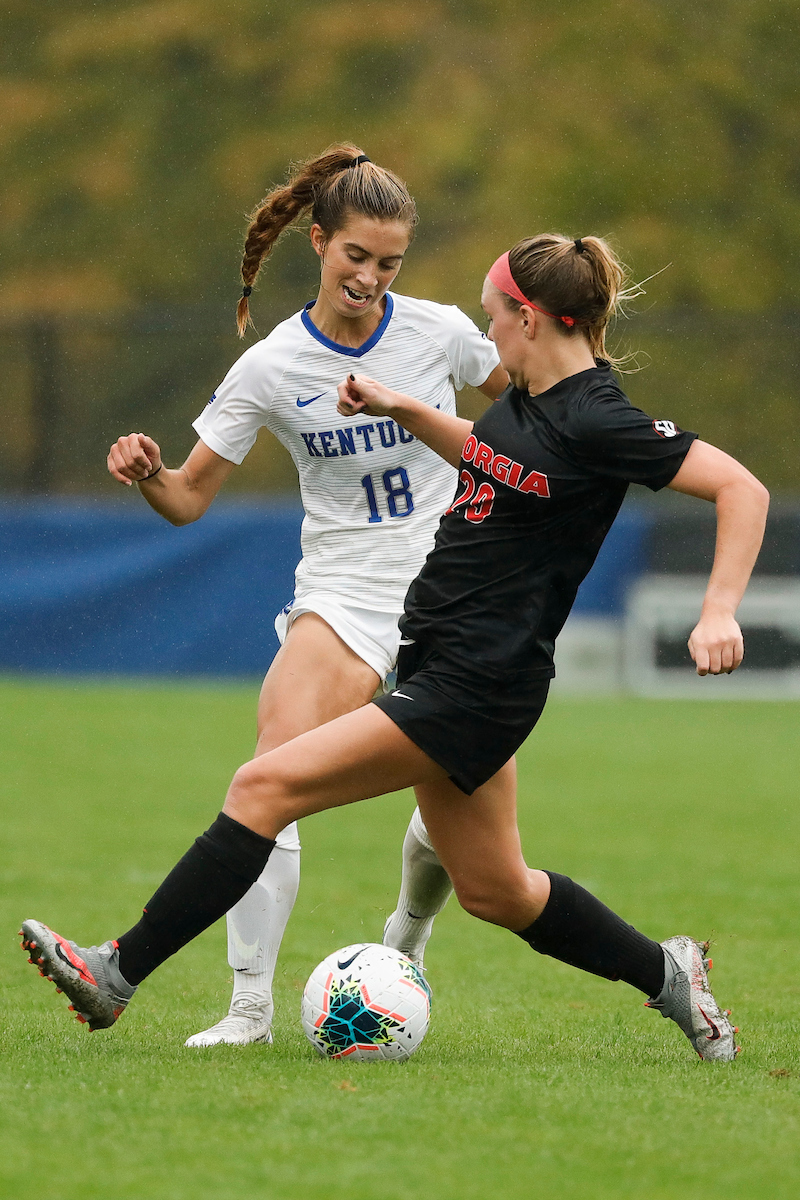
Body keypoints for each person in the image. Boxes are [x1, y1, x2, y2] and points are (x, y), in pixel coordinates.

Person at [23, 231, 769, 1062]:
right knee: (497, 890)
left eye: (495, 318)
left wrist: (718, 611)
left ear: (529, 318)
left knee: (264, 783)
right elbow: (494, 458)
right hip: (452, 667)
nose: (489, 335)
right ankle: (671, 974)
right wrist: (405, 409)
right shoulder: (530, 397)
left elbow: (742, 487)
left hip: (475, 683)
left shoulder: (600, 417)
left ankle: (113, 976)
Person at [103, 144, 506, 1047]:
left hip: (456, 595)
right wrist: (147, 473)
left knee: (459, 809)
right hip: (343, 596)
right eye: (355, 255)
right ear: (318, 240)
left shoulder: (439, 332)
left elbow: (524, 405)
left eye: (389, 262)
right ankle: (248, 1009)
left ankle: (407, 931)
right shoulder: (273, 367)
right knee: (271, 767)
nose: (369, 276)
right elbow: (188, 498)